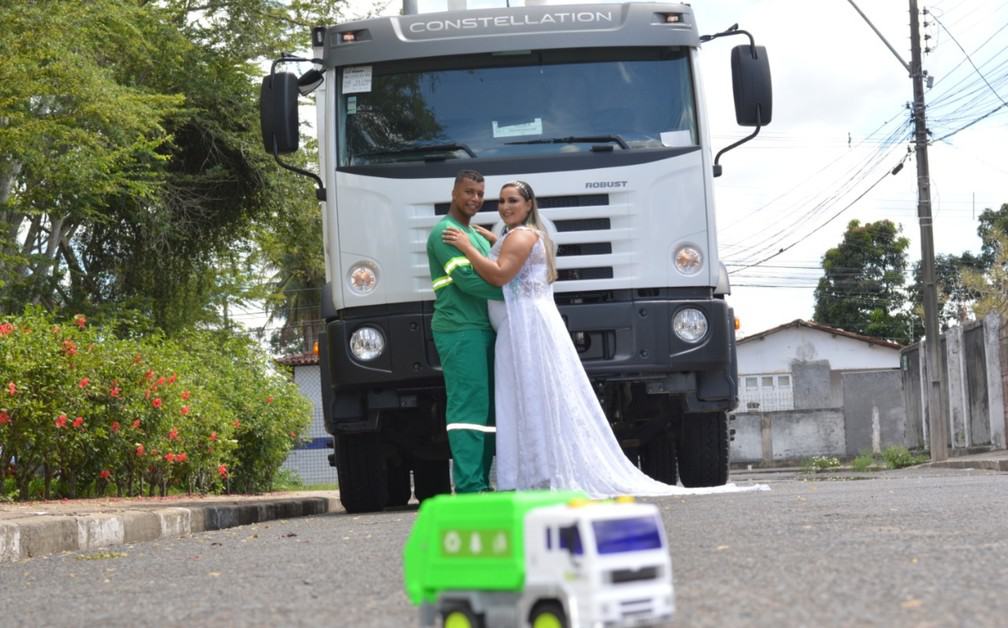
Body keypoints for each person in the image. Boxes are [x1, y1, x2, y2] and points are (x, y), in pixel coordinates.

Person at [444, 181, 765, 498]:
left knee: (529, 396)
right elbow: (509, 249)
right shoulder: (526, 234)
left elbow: (499, 275)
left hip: (524, 328)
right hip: (527, 324)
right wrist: (488, 237)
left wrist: (467, 247)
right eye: (501, 201)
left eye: (513, 200)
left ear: (529, 205)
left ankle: (537, 473)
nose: (505, 207)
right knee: (538, 396)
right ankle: (539, 468)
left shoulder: (522, 236)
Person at [427, 170, 503, 493]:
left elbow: (491, 267)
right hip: (459, 329)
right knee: (467, 407)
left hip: (481, 328)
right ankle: (469, 485)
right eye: (469, 192)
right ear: (454, 192)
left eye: (480, 193)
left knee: (486, 410)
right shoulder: (445, 233)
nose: (474, 198)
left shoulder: (469, 233)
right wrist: (516, 293)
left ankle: (481, 482)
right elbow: (469, 281)